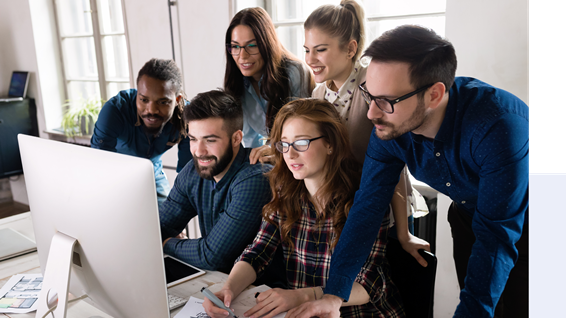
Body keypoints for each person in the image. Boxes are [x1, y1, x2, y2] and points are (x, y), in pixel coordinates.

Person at [279, 25, 529, 318]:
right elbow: (366, 208)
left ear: (434, 93)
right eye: (369, 95)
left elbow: (497, 237)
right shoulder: (389, 126)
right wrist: (334, 293)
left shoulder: (498, 124)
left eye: (387, 100)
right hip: (468, 215)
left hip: (528, 220)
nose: (373, 112)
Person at [202, 98, 411, 318]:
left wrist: (302, 295)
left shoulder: (364, 199)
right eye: (284, 144)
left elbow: (369, 283)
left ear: (331, 144)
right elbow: (257, 252)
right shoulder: (286, 192)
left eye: (301, 143)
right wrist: (228, 289)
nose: (289, 154)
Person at [304, 0, 430, 266]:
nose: (310, 60)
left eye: (320, 50)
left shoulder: (373, 85)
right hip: (346, 209)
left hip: (385, 204)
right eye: (307, 50)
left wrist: (404, 234)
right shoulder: (318, 94)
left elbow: (392, 165)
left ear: (350, 48)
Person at [159, 89, 273, 274]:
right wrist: (163, 239)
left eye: (210, 140)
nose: (199, 151)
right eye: (193, 139)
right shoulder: (193, 171)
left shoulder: (255, 178)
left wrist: (166, 244)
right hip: (217, 284)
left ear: (236, 138)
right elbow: (159, 227)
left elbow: (212, 257)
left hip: (261, 292)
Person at [91, 58, 191, 204]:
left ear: (177, 100)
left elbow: (187, 175)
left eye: (163, 102)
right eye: (144, 100)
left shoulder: (187, 117)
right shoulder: (115, 111)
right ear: (137, 94)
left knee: (169, 219)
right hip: (116, 175)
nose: (151, 110)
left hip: (152, 171)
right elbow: (100, 163)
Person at [224, 7, 314, 157]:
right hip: (273, 158)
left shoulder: (294, 73)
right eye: (235, 47)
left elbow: (303, 132)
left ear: (267, 44)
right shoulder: (236, 83)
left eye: (251, 45)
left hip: (301, 156)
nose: (242, 56)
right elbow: (251, 140)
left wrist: (273, 150)